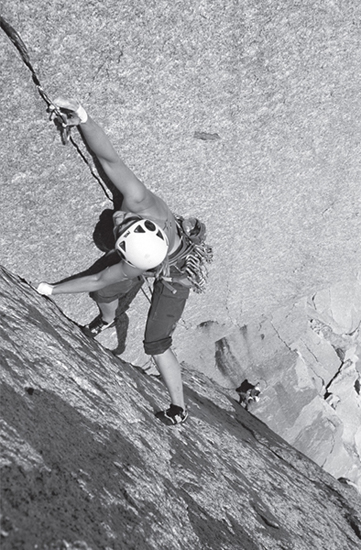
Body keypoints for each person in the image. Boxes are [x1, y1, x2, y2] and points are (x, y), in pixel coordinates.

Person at [37, 98, 212, 425]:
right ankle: (106, 319)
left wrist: (50, 290)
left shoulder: (135, 264)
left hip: (177, 272)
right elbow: (109, 159)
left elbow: (100, 275)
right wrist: (84, 119)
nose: (116, 218)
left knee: (155, 343)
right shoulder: (140, 201)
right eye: (123, 224)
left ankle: (179, 408)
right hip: (158, 249)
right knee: (104, 296)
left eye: (118, 228)